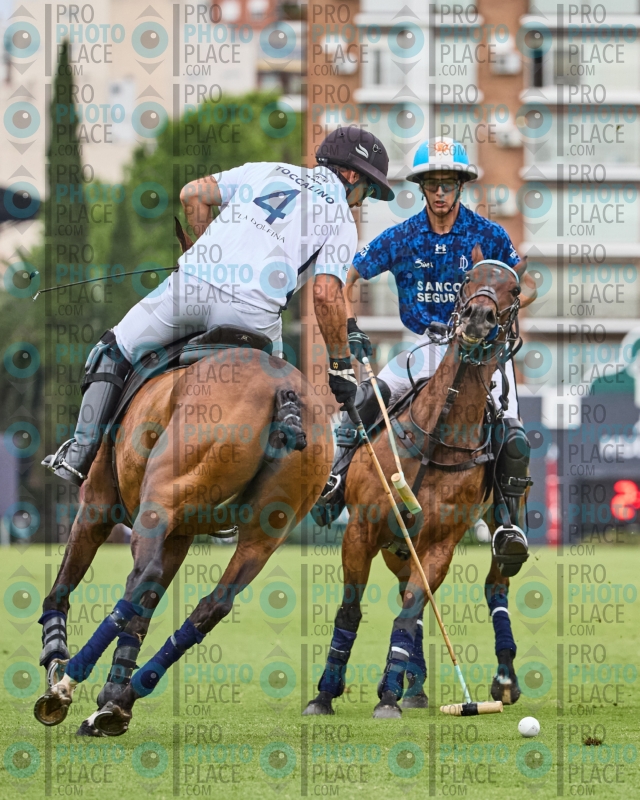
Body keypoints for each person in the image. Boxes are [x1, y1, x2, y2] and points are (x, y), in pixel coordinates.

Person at [43, 126, 395, 485]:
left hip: (189, 290)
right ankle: (300, 484)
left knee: (113, 348)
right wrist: (339, 366)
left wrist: (205, 249)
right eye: (368, 189)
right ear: (351, 175)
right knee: (284, 394)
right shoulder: (341, 218)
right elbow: (325, 294)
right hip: (252, 313)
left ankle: (80, 453)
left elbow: (193, 193)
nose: (362, 200)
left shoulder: (265, 170)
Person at [314, 136, 538, 534]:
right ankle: (335, 480)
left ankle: (508, 523)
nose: (439, 192)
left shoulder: (488, 235)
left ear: (460, 186)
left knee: (513, 430)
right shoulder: (402, 236)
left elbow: (527, 283)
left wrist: (506, 303)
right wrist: (349, 327)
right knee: (366, 399)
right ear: (421, 187)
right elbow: (346, 277)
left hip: (483, 351)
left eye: (447, 184)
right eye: (432, 184)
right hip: (427, 346)